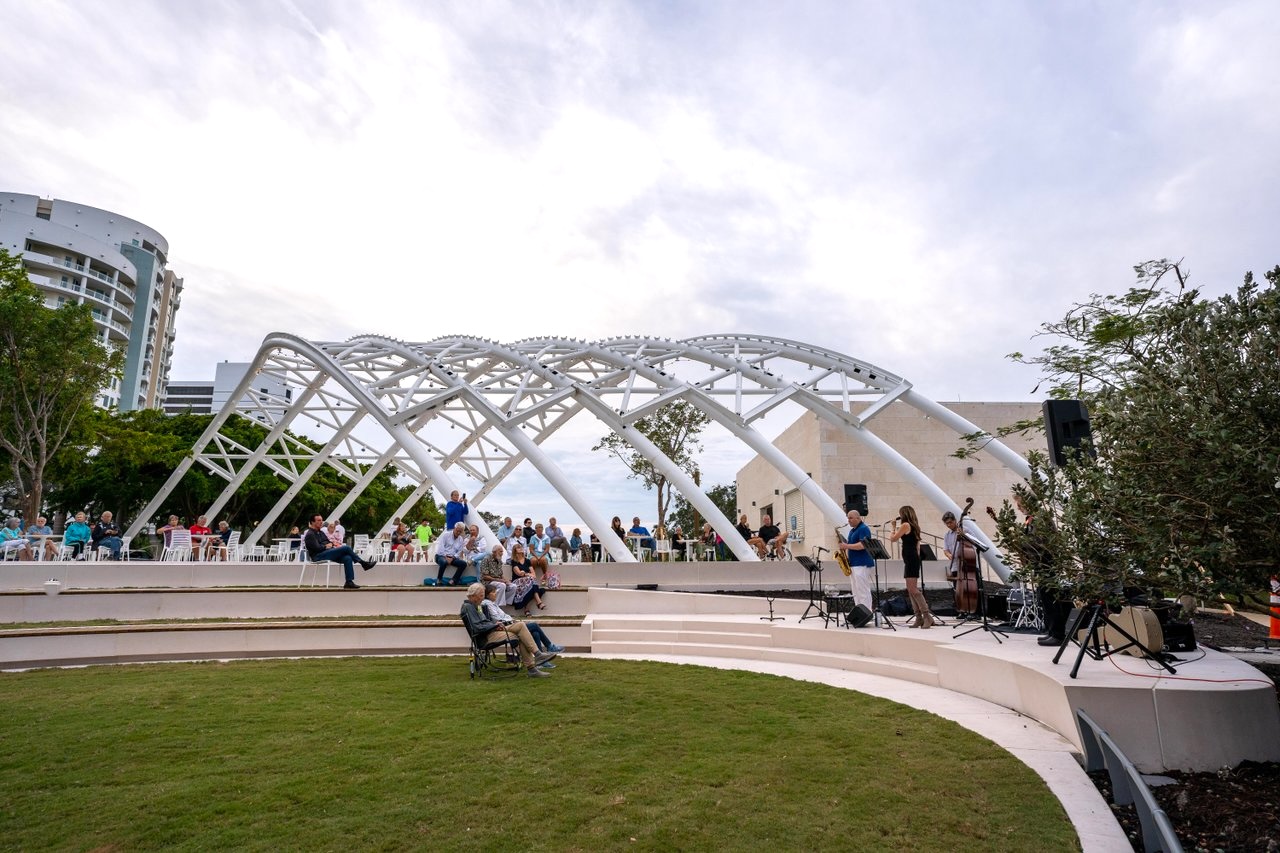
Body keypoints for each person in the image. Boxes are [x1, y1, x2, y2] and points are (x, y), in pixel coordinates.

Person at [460, 583, 556, 678]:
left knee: (521, 627)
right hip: (486, 638)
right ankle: (533, 665)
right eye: (481, 596)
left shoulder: (477, 605)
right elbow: (478, 627)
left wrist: (494, 625)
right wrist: (493, 626)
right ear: (473, 596)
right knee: (521, 632)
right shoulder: (468, 607)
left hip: (491, 631)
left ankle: (536, 659)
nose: (482, 598)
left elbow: (484, 622)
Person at [482, 584, 564, 656]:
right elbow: (497, 618)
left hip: (509, 623)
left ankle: (542, 660)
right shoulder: (487, 604)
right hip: (504, 626)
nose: (496, 593)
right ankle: (549, 646)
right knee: (534, 625)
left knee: (535, 633)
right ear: (488, 595)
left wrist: (512, 619)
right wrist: (511, 620)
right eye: (493, 592)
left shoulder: (493, 603)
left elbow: (504, 615)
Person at [302, 513, 377, 589]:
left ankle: (349, 582)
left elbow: (328, 542)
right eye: (318, 520)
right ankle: (363, 563)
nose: (321, 522)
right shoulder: (310, 534)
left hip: (327, 553)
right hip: (318, 556)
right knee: (346, 548)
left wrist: (329, 544)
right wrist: (325, 546)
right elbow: (317, 548)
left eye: (321, 520)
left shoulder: (321, 532)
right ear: (312, 522)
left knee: (347, 558)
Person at [888, 506, 934, 628]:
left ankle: (927, 616)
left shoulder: (906, 525)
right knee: (910, 589)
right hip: (911, 558)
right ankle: (918, 617)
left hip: (911, 559)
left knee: (913, 589)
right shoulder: (914, 526)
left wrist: (893, 527)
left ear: (904, 514)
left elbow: (893, 539)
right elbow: (917, 545)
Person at [837, 510, 875, 614]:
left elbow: (863, 545)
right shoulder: (852, 530)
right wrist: (844, 547)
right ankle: (859, 612)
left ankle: (867, 613)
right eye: (848, 518)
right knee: (856, 591)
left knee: (863, 590)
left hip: (862, 563)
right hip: (854, 563)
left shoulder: (863, 529)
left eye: (850, 518)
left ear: (858, 518)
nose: (848, 520)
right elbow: (852, 545)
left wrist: (846, 546)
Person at [507, 542, 545, 613]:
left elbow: (534, 574)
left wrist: (525, 574)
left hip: (528, 581)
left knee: (531, 581)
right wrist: (527, 575)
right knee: (531, 581)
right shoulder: (514, 561)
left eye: (520, 547)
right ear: (515, 551)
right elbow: (518, 573)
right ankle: (538, 602)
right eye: (518, 547)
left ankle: (527, 609)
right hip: (517, 582)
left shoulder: (527, 561)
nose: (520, 548)